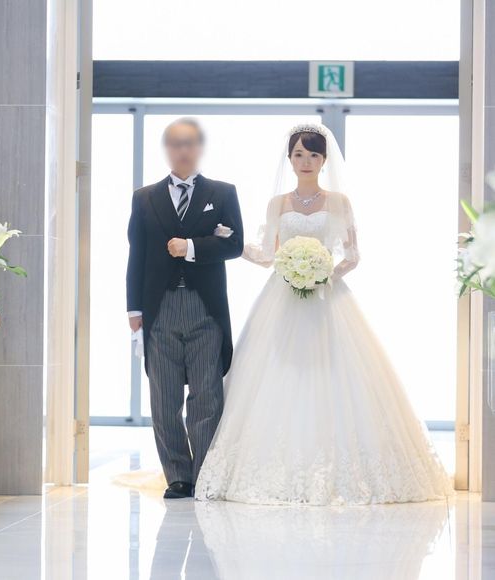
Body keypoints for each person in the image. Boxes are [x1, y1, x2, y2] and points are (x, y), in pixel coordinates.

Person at [194, 123, 453, 505]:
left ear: (324, 159)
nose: (306, 161)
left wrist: (322, 274)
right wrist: (233, 243)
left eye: (313, 154)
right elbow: (267, 256)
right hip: (281, 297)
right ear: (289, 159)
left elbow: (352, 256)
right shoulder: (277, 204)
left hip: (327, 298)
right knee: (275, 375)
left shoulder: (339, 202)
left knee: (338, 374)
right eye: (299, 154)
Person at [126, 117, 244, 499]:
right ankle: (178, 475)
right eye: (175, 143)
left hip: (204, 307)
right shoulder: (144, 197)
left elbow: (234, 244)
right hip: (159, 307)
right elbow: (137, 255)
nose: (183, 150)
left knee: (207, 395)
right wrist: (133, 310)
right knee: (164, 397)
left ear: (200, 148)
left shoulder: (221, 193)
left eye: (190, 143)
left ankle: (204, 474)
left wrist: (192, 247)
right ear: (166, 149)